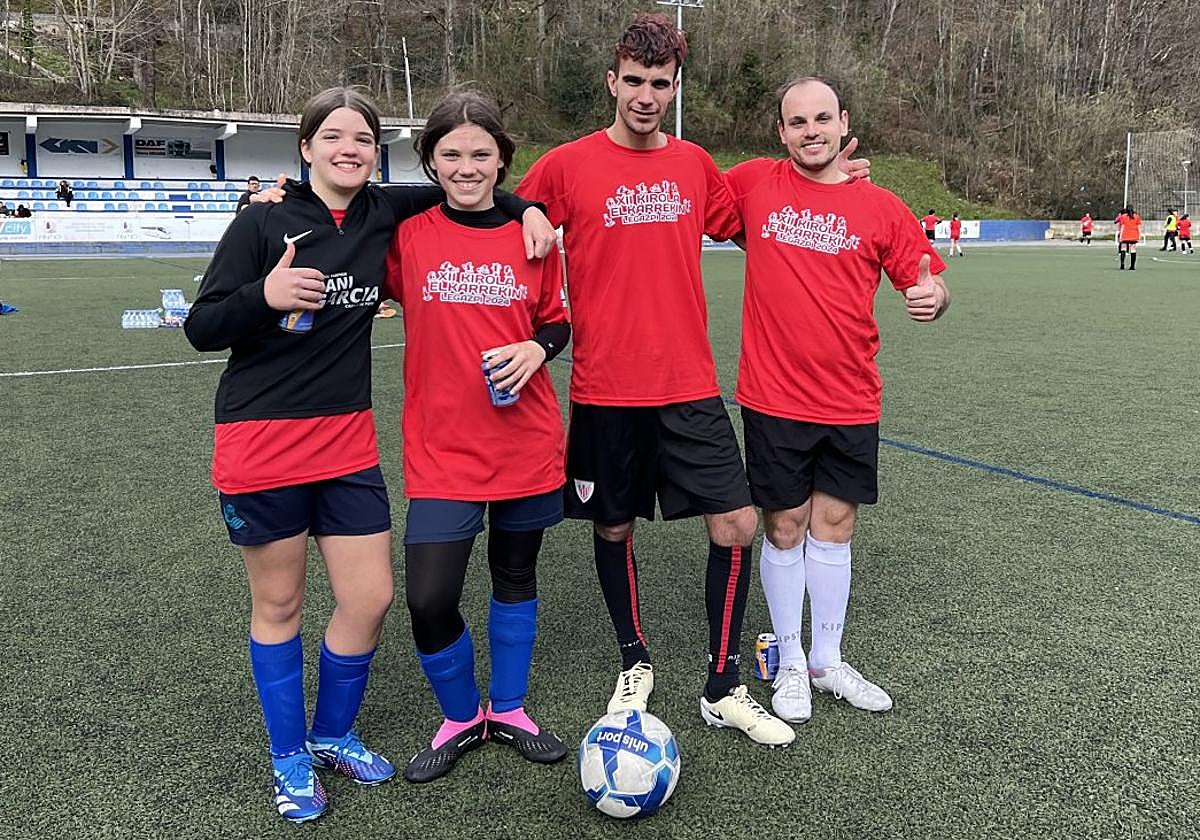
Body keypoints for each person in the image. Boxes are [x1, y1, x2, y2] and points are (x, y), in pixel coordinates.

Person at [183, 86, 555, 823]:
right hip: (261, 441)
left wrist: (530, 209)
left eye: (361, 138)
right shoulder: (262, 220)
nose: (347, 149)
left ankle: (332, 734)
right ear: (306, 147)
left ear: (377, 153)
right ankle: (289, 757)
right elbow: (202, 327)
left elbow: (470, 186)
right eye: (332, 136)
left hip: (348, 444)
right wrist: (265, 294)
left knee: (370, 598)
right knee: (280, 604)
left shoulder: (385, 213)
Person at [516, 13, 863, 748]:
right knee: (613, 526)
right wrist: (529, 216)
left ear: (675, 88)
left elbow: (770, 213)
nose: (646, 96)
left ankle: (722, 685)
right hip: (605, 390)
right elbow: (506, 208)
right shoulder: (566, 164)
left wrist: (839, 182)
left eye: (660, 83)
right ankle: (634, 660)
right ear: (612, 82)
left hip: (688, 386)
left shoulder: (695, 165)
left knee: (738, 524)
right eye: (634, 81)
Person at [724, 76, 950, 726]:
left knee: (836, 526)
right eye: (798, 122)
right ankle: (791, 661)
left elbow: (928, 280)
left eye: (822, 118)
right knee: (784, 526)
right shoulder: (754, 185)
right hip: (774, 398)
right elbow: (685, 197)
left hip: (851, 399)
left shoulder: (881, 206)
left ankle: (827, 659)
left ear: (843, 121)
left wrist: (934, 299)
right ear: (781, 131)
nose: (811, 131)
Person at [386, 89, 571, 783]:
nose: (467, 167)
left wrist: (537, 349)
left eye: (481, 154)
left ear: (502, 160)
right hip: (441, 451)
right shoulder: (408, 234)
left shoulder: (534, 237)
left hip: (525, 442)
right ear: (431, 162)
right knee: (429, 598)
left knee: (515, 575)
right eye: (452, 154)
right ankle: (462, 716)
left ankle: (511, 709)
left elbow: (557, 320)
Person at [1118, 204, 1142, 270]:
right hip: (1134, 235)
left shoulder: (1123, 216)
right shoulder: (1137, 216)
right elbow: (1139, 227)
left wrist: (1120, 236)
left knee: (1123, 249)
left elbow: (1122, 227)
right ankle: (1132, 266)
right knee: (1133, 250)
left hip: (1125, 235)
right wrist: (1139, 235)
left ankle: (1122, 264)